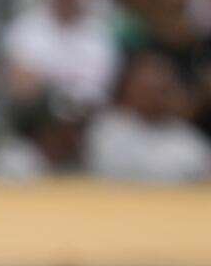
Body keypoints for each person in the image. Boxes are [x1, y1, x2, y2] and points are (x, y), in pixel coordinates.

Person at [85, 50, 211, 182]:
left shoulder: (190, 140)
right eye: (146, 89)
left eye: (161, 90)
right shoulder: (105, 129)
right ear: (127, 87)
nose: (153, 97)